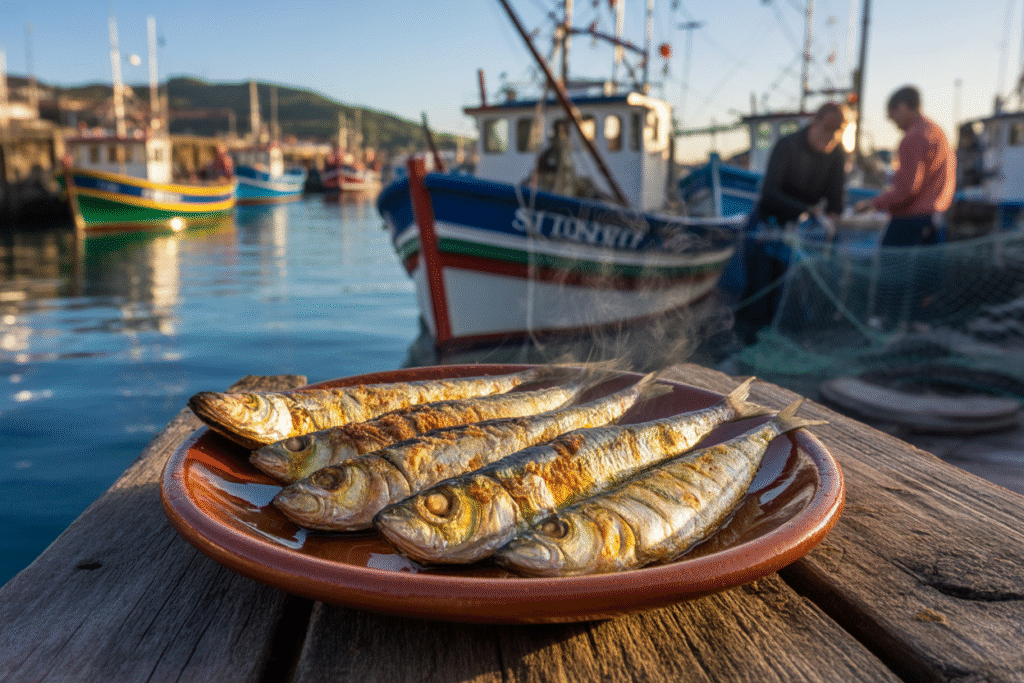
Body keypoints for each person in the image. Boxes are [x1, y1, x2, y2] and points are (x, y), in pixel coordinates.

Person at [735, 102, 850, 342]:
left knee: (786, 290)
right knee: (760, 287)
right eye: (827, 129)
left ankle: (778, 339)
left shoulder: (837, 155)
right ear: (814, 123)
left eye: (838, 131)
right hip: (767, 225)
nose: (831, 136)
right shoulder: (788, 145)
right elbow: (770, 192)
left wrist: (829, 222)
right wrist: (809, 211)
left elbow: (835, 200)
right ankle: (746, 343)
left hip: (799, 232)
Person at [854, 86, 956, 246]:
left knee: (891, 266)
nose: (891, 120)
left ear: (902, 107)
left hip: (911, 220)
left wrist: (873, 203)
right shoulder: (937, 132)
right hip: (935, 218)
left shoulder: (914, 136)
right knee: (927, 270)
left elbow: (907, 190)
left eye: (891, 114)